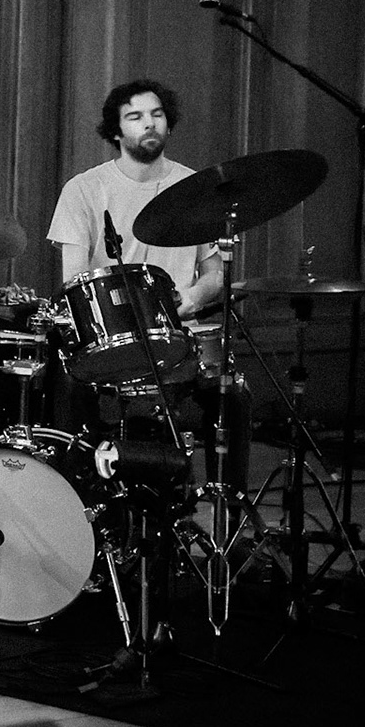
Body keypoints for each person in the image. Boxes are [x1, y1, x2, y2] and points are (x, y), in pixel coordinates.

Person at [46, 78, 246, 492]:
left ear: (169, 124)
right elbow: (74, 281)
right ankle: (81, 498)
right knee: (67, 382)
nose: (149, 123)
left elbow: (217, 274)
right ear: (116, 131)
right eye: (135, 116)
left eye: (157, 115)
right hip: (112, 337)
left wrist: (193, 297)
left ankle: (229, 506)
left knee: (235, 395)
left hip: (180, 334)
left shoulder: (195, 187)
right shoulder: (84, 189)